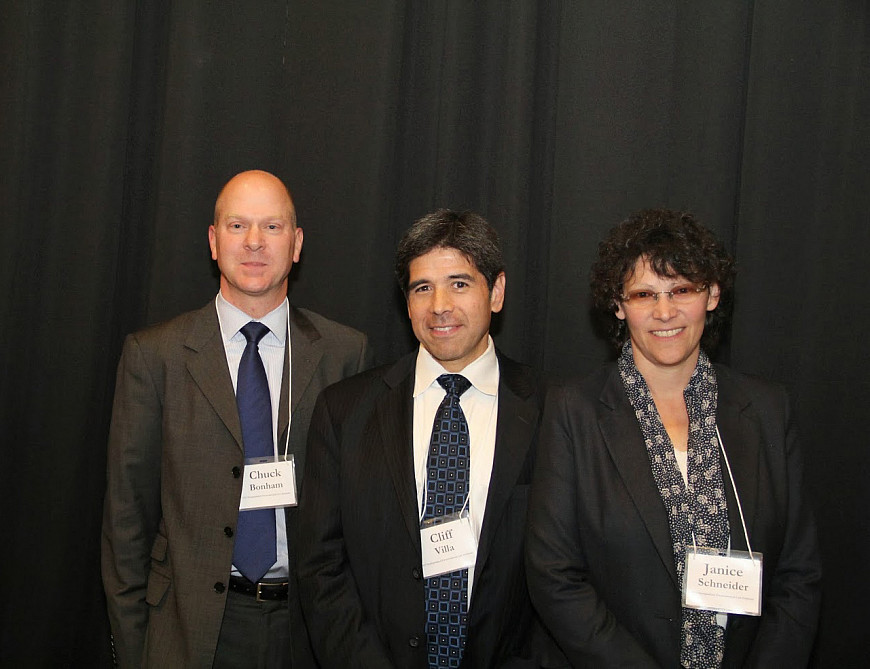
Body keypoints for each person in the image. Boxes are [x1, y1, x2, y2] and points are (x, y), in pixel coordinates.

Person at [525, 208, 821, 667]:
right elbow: (554, 575)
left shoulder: (766, 409)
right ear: (619, 306)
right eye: (644, 294)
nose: (664, 312)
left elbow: (799, 575)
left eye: (682, 289)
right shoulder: (573, 410)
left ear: (713, 295)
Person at [101, 170, 370, 668]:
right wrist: (134, 647)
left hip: (308, 632)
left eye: (272, 227)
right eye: (237, 225)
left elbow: (358, 516)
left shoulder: (344, 354)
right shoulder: (154, 355)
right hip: (186, 630)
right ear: (212, 240)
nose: (253, 243)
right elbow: (126, 523)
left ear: (296, 244)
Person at [297, 210, 562, 668]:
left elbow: (571, 568)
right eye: (423, 288)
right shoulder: (344, 410)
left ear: (496, 292)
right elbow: (320, 567)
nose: (439, 305)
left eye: (459, 283)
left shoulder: (556, 411)